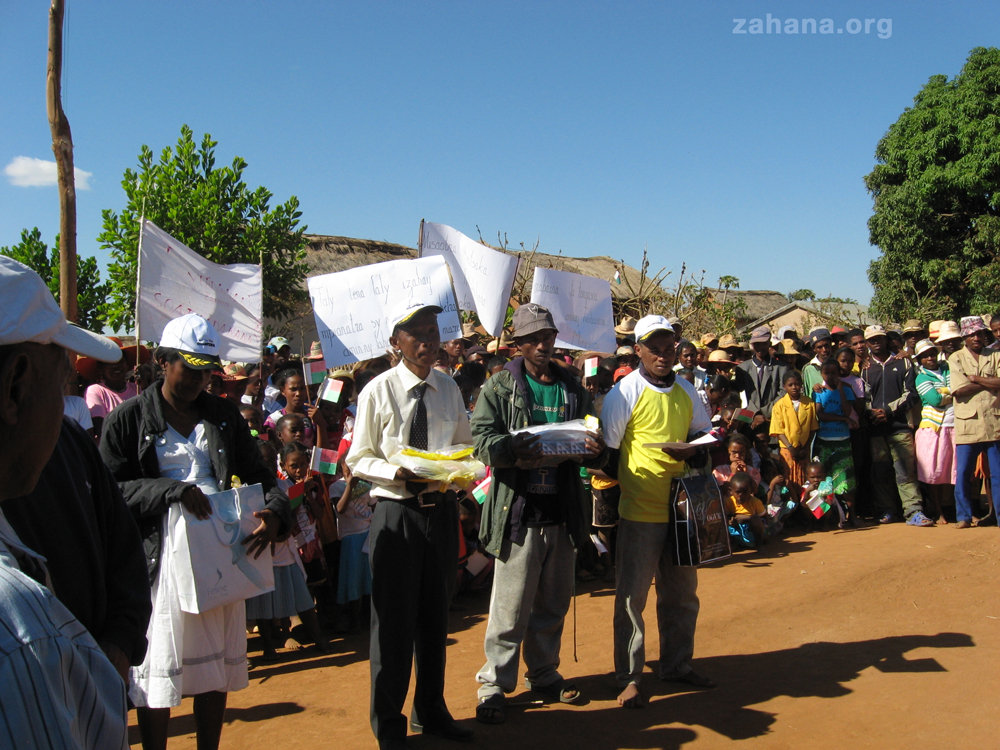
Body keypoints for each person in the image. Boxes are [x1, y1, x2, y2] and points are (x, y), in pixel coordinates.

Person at [99, 313, 291, 750]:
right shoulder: (128, 419)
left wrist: (276, 513)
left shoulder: (222, 416)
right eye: (189, 370)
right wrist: (170, 491)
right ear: (163, 362)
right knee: (159, 667)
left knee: (215, 669)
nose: (198, 381)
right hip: (161, 561)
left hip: (218, 554)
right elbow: (111, 492)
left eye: (206, 373)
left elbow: (259, 474)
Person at [0, 256, 130, 748]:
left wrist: (118, 641)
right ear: (16, 387)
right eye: (60, 384)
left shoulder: (73, 451)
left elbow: (121, 546)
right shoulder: (22, 634)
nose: (63, 406)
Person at [345, 300, 474, 749]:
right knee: (393, 625)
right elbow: (358, 457)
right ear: (395, 342)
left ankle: (430, 711)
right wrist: (395, 472)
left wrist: (459, 470)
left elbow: (463, 444)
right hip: (396, 513)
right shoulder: (377, 391)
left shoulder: (448, 387)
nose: (427, 342)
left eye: (433, 332)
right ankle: (389, 725)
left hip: (440, 512)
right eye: (416, 334)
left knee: (435, 619)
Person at [470, 303, 606, 724]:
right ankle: (494, 685)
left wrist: (591, 446)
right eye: (533, 339)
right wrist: (511, 449)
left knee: (553, 602)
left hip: (561, 510)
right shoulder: (499, 387)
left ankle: (544, 673)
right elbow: (481, 442)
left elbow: (591, 430)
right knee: (510, 607)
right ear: (519, 344)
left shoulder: (572, 387)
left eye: (547, 337)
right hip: (518, 511)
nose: (543, 345)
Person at [600, 315, 714, 709]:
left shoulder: (686, 390)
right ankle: (629, 677)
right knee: (632, 599)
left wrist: (694, 450)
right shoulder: (624, 392)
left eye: (669, 348)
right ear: (638, 350)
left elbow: (702, 433)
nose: (663, 356)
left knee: (682, 594)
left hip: (681, 509)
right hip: (640, 509)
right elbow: (609, 454)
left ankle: (677, 665)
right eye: (655, 349)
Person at [861, 325, 923, 525]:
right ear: (867, 343)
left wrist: (887, 411)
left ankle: (913, 510)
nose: (876, 342)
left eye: (879, 338)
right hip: (876, 430)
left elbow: (911, 394)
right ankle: (886, 510)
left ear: (886, 339)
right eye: (872, 340)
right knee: (881, 472)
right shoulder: (865, 368)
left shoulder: (903, 363)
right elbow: (863, 397)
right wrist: (872, 413)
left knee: (906, 471)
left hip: (899, 426)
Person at [947, 316, 1000, 529]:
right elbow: (959, 390)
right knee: (963, 474)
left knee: (997, 474)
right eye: (971, 335)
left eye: (979, 333)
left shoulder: (995, 355)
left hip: (994, 421)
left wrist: (976, 379)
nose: (976, 338)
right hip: (968, 423)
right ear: (964, 337)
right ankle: (964, 516)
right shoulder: (956, 358)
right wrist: (990, 382)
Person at [912, 338, 955, 525]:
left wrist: (944, 392)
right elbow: (935, 400)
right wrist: (950, 393)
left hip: (954, 426)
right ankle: (939, 511)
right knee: (934, 473)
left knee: (953, 471)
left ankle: (953, 509)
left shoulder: (947, 369)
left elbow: (956, 388)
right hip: (933, 430)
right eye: (925, 356)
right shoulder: (921, 377)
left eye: (932, 354)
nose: (930, 358)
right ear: (919, 360)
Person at [813, 360, 857, 526]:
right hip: (824, 441)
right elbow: (821, 415)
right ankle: (826, 518)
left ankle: (852, 515)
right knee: (824, 481)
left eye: (834, 372)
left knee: (846, 481)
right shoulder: (819, 391)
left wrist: (841, 390)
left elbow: (847, 410)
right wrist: (843, 419)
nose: (830, 376)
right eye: (827, 373)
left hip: (842, 440)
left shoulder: (846, 390)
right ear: (821, 374)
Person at [769, 370, 818, 490]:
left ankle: (804, 499)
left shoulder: (809, 403)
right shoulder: (779, 405)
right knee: (788, 478)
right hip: (787, 450)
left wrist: (805, 447)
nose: (794, 387)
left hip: (803, 449)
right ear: (784, 386)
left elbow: (813, 428)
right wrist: (790, 447)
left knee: (805, 478)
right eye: (790, 385)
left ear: (801, 385)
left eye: (797, 384)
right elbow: (778, 430)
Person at [738, 325, 789, 420]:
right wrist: (754, 414)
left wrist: (765, 413)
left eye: (763, 344)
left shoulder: (781, 368)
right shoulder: (742, 368)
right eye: (757, 344)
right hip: (748, 418)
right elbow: (741, 395)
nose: (760, 347)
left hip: (773, 417)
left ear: (769, 344)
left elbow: (783, 393)